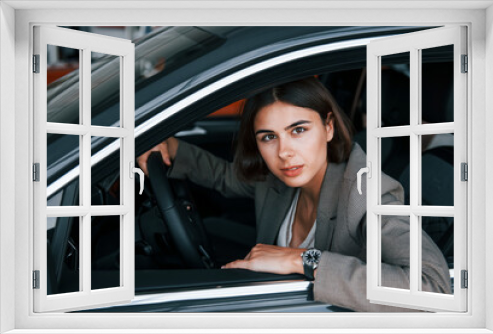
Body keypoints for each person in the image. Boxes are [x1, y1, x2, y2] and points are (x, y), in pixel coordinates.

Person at [137, 77, 451, 312]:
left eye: (298, 130)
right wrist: (173, 148)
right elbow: (224, 176)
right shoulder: (277, 182)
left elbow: (433, 287)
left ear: (328, 128)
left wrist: (300, 259)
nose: (284, 153)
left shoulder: (366, 193)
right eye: (268, 137)